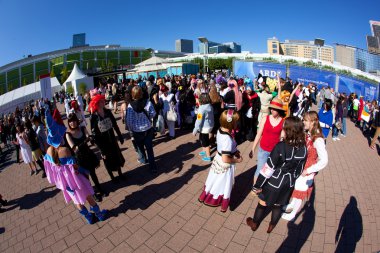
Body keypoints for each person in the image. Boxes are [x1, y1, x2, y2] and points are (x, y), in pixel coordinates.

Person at [43, 106, 107, 224]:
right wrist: (84, 171)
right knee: (88, 195)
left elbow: (49, 171)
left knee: (76, 200)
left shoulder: (48, 152)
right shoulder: (64, 150)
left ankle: (88, 217)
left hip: (64, 183)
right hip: (75, 179)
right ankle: (99, 214)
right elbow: (74, 167)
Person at [246, 117, 307, 233]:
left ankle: (254, 223)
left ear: (288, 130)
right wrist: (291, 180)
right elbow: (299, 170)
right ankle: (271, 226)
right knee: (278, 205)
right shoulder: (303, 148)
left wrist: (257, 185)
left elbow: (267, 169)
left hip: (274, 182)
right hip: (288, 183)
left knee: (262, 203)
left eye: (284, 127)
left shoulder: (280, 146)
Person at [282, 111, 328, 221]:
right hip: (302, 165)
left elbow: (324, 160)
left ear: (313, 122)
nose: (303, 122)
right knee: (296, 187)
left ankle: (293, 214)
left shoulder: (318, 139)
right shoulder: (309, 133)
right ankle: (292, 204)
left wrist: (309, 170)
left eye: (305, 120)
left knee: (301, 190)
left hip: (307, 169)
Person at [198, 109, 243, 212]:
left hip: (218, 159)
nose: (238, 123)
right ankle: (219, 201)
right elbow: (226, 158)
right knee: (223, 183)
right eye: (236, 121)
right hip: (224, 163)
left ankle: (206, 195)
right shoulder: (227, 139)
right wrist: (237, 160)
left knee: (214, 179)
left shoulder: (220, 130)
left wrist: (235, 150)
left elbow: (225, 149)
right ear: (231, 123)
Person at [65, 113, 105, 200]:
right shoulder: (68, 134)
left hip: (88, 154)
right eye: (70, 122)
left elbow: (88, 136)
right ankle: (93, 194)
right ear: (68, 123)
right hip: (80, 158)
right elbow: (74, 148)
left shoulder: (82, 128)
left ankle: (100, 189)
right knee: (86, 178)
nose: (72, 123)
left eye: (74, 121)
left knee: (93, 174)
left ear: (77, 121)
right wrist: (86, 141)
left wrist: (92, 138)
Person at [89, 94, 126, 182]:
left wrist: (120, 136)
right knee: (107, 159)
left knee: (117, 156)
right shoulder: (93, 117)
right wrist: (101, 149)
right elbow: (94, 134)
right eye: (101, 101)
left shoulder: (108, 112)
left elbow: (115, 124)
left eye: (103, 100)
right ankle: (112, 177)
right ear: (96, 103)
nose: (103, 102)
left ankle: (120, 173)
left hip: (112, 139)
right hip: (103, 143)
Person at [249, 97, 285, 184]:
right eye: (271, 108)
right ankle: (255, 186)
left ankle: (264, 185)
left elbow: (282, 138)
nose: (272, 110)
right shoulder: (265, 118)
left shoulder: (283, 122)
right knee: (260, 168)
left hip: (274, 151)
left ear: (279, 110)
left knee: (271, 170)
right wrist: (253, 149)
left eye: (275, 109)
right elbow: (258, 134)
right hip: (263, 149)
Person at [126, 86, 158, 173]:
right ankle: (153, 167)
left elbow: (129, 121)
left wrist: (132, 128)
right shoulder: (147, 102)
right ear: (141, 93)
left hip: (137, 131)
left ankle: (143, 159)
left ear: (132, 95)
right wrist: (147, 119)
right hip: (147, 129)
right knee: (149, 149)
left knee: (140, 147)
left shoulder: (130, 106)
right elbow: (153, 113)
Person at [193, 93, 214, 162]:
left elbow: (199, 120)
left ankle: (208, 156)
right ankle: (204, 151)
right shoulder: (210, 106)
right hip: (210, 125)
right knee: (202, 138)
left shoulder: (201, 108)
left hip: (204, 127)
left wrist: (195, 129)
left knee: (205, 141)